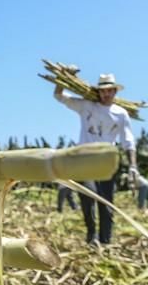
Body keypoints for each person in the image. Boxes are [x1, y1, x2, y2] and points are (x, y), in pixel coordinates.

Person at [54, 73, 138, 245]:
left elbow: (128, 141)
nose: (106, 94)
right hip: (84, 158)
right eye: (103, 91)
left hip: (107, 161)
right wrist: (62, 77)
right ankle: (91, 235)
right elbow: (59, 96)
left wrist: (133, 166)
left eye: (109, 91)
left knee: (106, 204)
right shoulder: (86, 106)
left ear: (115, 91)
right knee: (88, 194)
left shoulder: (121, 114)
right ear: (98, 92)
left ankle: (105, 241)